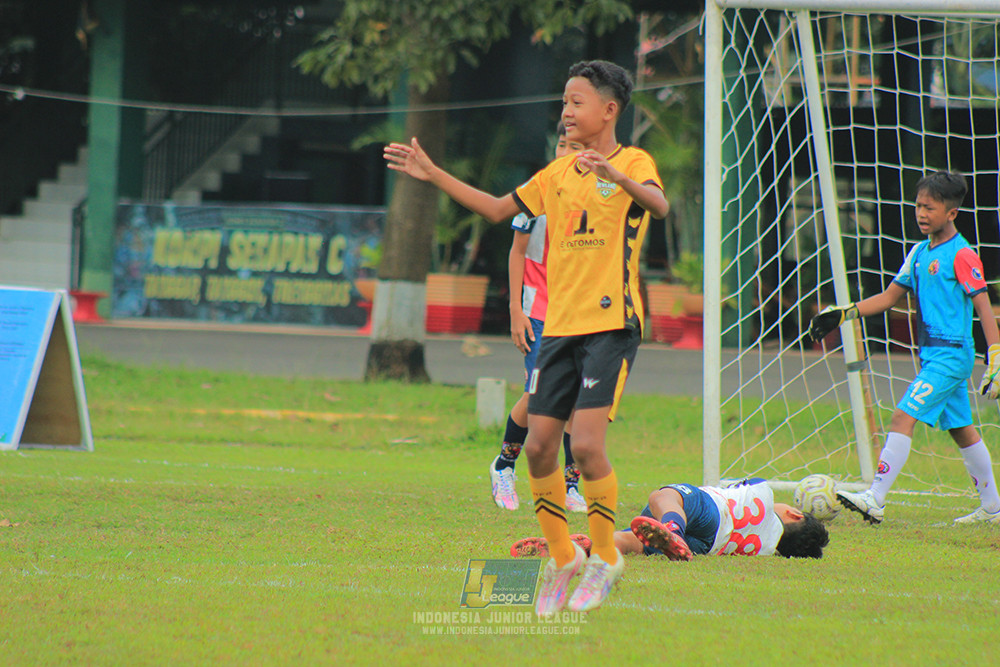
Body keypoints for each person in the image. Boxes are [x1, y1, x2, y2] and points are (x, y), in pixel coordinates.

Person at [385, 60, 669, 614]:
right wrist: (433, 173)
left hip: (610, 327)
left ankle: (606, 556)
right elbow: (496, 210)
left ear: (609, 110)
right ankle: (565, 560)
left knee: (585, 446)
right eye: (563, 101)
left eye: (576, 101)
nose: (565, 111)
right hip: (558, 330)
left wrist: (619, 180)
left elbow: (658, 203)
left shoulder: (633, 162)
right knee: (538, 447)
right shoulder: (554, 176)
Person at [808, 170, 1000, 525]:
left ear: (951, 213)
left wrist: (996, 356)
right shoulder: (917, 253)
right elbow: (888, 298)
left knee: (902, 416)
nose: (921, 213)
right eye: (918, 206)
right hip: (933, 355)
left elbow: (984, 307)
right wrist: (844, 313)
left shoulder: (962, 255)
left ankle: (875, 498)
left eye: (930, 207)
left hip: (950, 355)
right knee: (961, 429)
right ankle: (993, 507)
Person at [491, 124, 586, 513]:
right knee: (540, 395)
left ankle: (571, 486)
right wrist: (516, 310)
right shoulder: (538, 192)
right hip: (540, 313)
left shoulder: (597, 196)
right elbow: (517, 252)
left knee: (581, 402)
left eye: (576, 146)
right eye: (563, 144)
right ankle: (504, 466)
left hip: (581, 314)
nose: (567, 151)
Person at [511, 478, 829, 560]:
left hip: (712, 512)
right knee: (633, 542)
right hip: (706, 545)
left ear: (794, 513)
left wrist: (674, 526)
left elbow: (739, 487)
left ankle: (671, 528)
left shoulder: (765, 494)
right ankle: (582, 548)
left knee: (664, 497)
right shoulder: (767, 550)